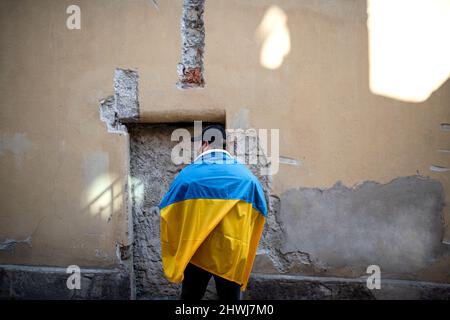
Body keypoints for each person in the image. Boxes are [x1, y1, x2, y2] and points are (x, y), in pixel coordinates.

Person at [158, 124, 268, 300]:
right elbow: (260, 213)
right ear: (225, 146)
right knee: (230, 300)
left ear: (204, 143)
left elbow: (168, 211)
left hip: (196, 250)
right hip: (231, 251)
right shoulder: (247, 178)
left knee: (190, 298)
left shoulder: (188, 176)